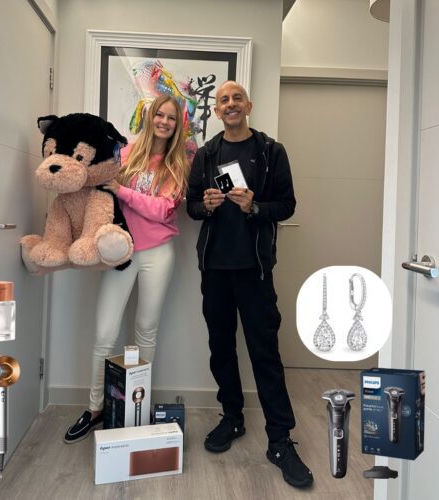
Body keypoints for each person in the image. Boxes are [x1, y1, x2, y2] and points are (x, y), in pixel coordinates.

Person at [186, 81, 313, 488]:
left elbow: (287, 205)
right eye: (223, 100)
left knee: (265, 353)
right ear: (217, 110)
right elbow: (191, 205)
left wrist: (254, 206)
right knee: (221, 349)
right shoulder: (206, 154)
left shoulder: (271, 152)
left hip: (255, 270)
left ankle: (280, 441)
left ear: (249, 105)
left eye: (237, 98)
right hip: (215, 270)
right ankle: (233, 418)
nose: (231, 104)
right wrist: (205, 206)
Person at [64, 94, 189, 443]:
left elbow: (163, 210)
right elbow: (99, 189)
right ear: (150, 117)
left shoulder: (178, 163)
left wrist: (124, 191)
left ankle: (139, 407)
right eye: (160, 115)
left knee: (146, 330)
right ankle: (95, 408)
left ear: (178, 125)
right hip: (121, 253)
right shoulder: (125, 153)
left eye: (172, 118)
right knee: (105, 333)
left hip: (158, 253)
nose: (164, 122)